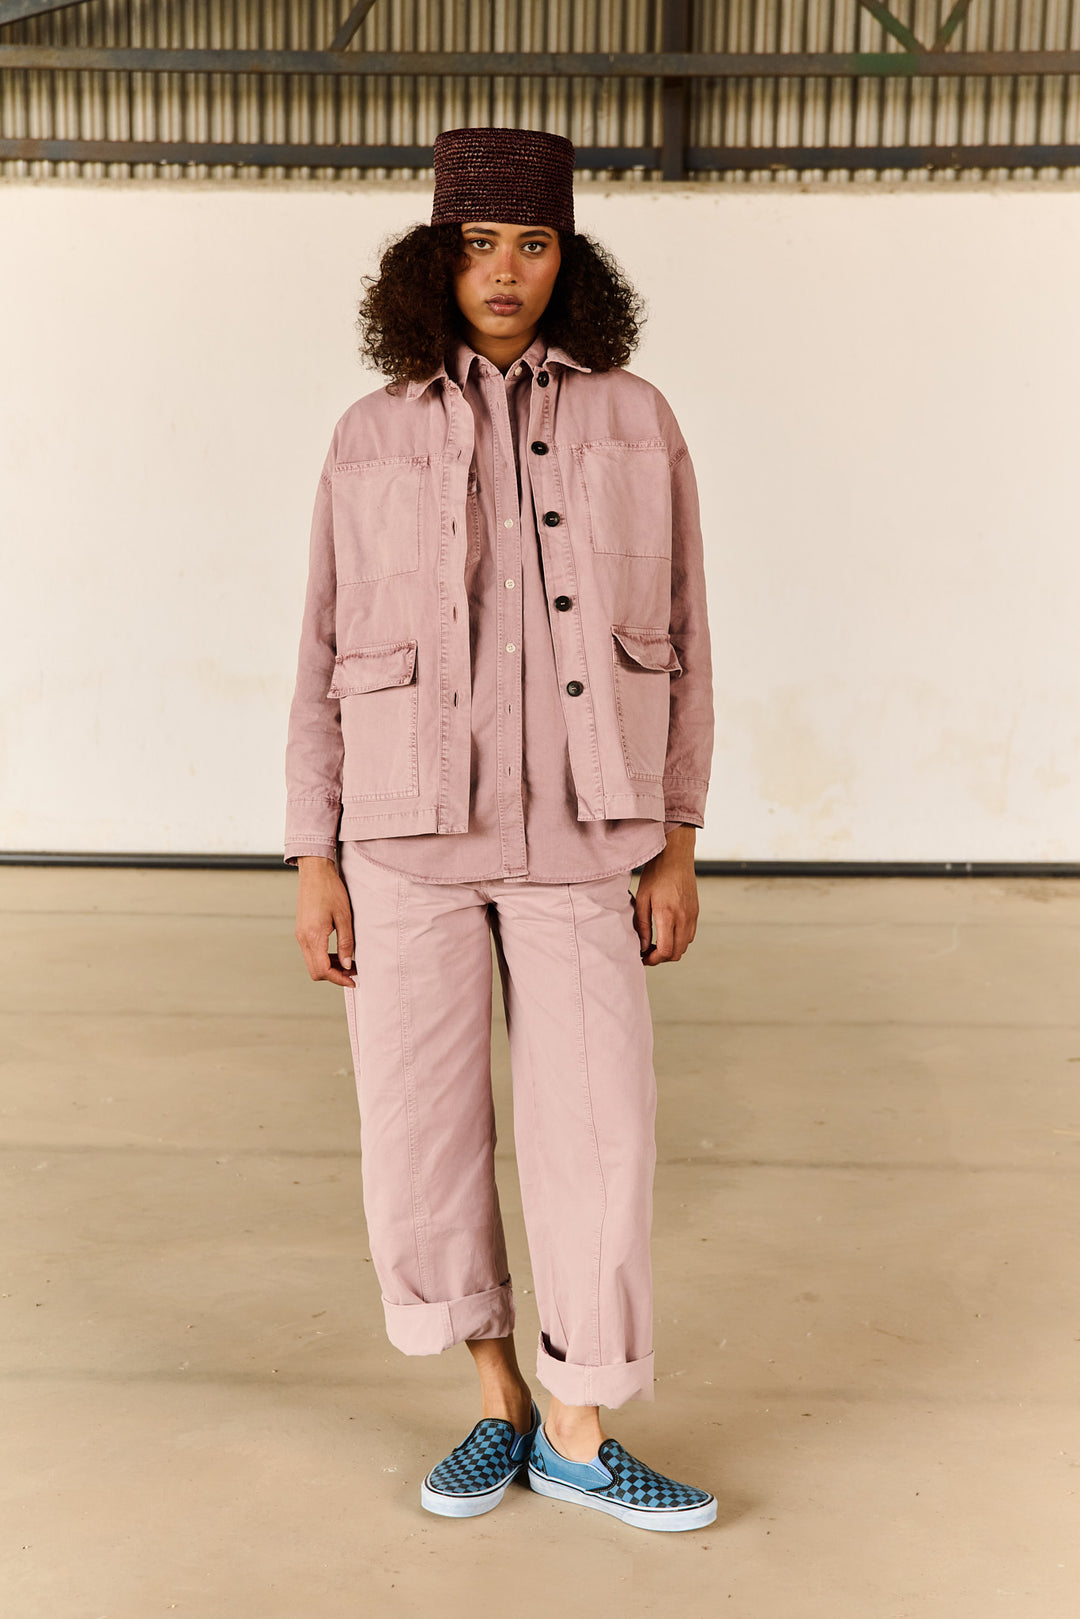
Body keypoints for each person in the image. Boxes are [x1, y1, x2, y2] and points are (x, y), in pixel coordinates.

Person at [283, 126, 715, 1532]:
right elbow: (320, 653)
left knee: (600, 1136)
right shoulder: (371, 435)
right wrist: (313, 857)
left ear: (569, 261)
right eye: (479, 245)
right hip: (403, 843)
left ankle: (581, 1431)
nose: (507, 272)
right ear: (436, 261)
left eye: (534, 244)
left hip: (584, 838)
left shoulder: (635, 420)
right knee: (421, 1136)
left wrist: (678, 838)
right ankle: (497, 1401)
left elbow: (687, 638)